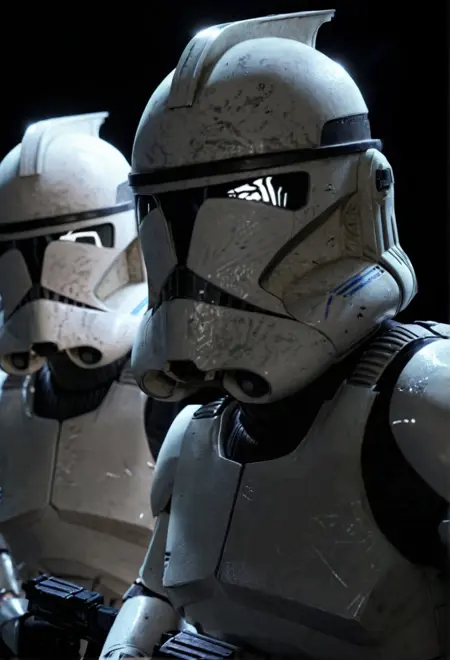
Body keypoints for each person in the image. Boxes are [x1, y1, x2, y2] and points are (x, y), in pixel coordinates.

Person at [97, 10, 447, 659]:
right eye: (161, 208)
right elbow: (155, 588)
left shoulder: (425, 401)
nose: (194, 244)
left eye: (253, 192)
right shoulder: (196, 433)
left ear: (359, 191)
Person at [0, 112, 155, 606]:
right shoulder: (8, 396)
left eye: (73, 242)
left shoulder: (174, 388)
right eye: (16, 251)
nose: (41, 274)